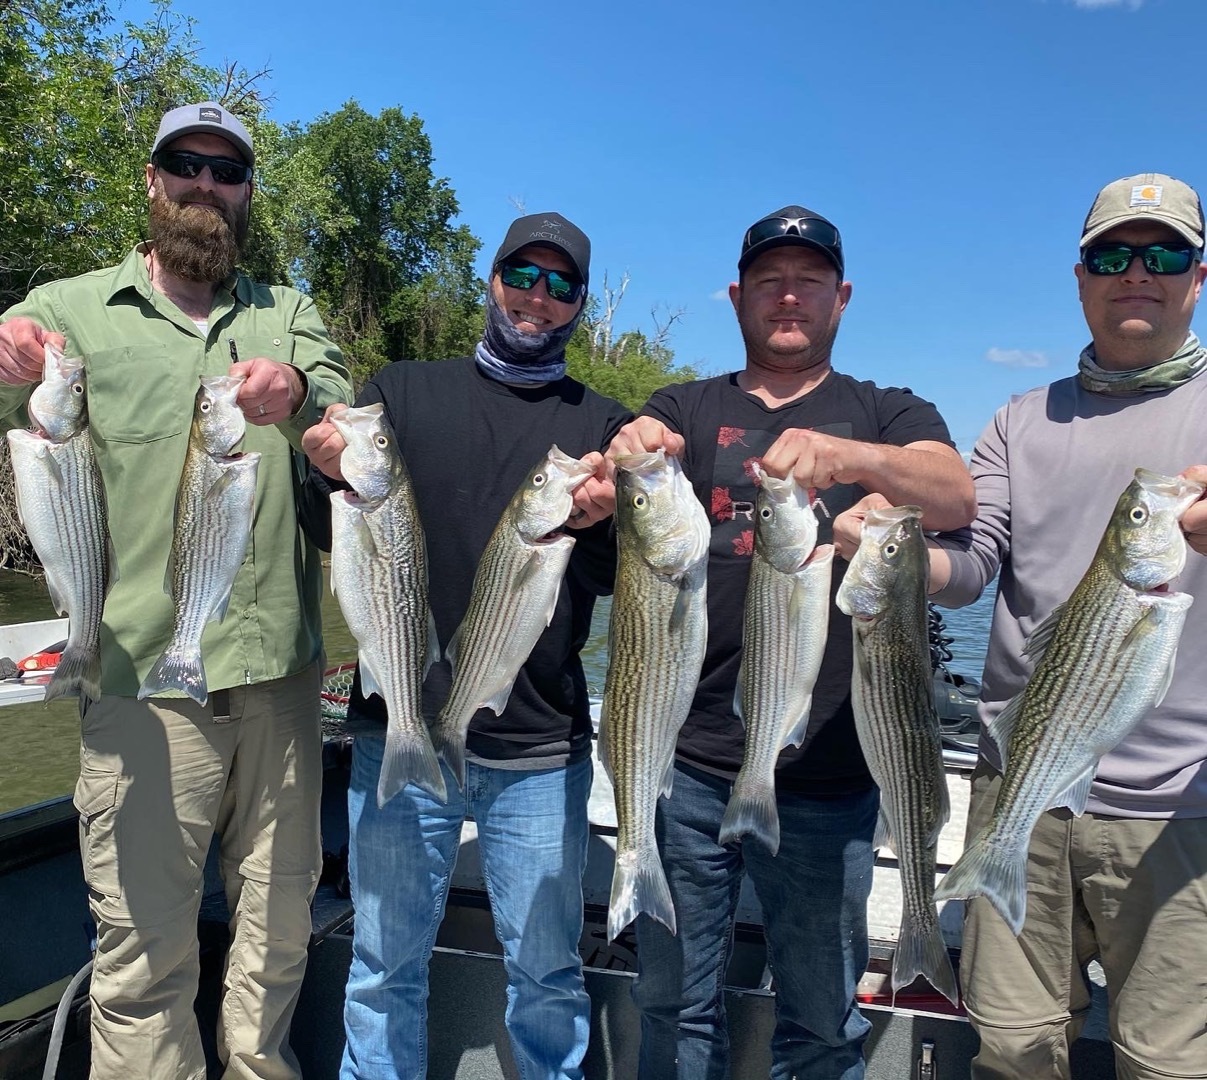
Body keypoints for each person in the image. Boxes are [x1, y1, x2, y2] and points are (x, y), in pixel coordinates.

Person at [0, 102, 352, 1079]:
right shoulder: (69, 309)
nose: (205, 183)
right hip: (140, 680)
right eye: (185, 164)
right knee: (143, 953)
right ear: (152, 182)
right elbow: (10, 367)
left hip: (281, 678)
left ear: (245, 196)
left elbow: (339, 414)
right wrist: (11, 357)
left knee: (280, 937)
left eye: (226, 170)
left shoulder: (286, 310)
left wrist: (301, 397)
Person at [604, 206, 975, 1079]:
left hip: (830, 779)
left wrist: (846, 454)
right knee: (673, 1006)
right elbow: (631, 464)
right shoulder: (685, 406)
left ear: (839, 297)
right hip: (688, 761)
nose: (788, 295)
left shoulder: (887, 410)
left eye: (807, 279)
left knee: (819, 1021)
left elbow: (954, 496)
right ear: (736, 295)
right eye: (769, 278)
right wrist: (632, 445)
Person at [858, 172, 1207, 1079]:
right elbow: (970, 566)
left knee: (1167, 1065)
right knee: (1010, 1049)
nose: (1137, 272)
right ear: (1080, 276)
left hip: (1181, 809)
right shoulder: (1018, 420)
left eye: (1162, 253)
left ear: (1196, 277)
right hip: (1021, 784)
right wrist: (892, 559)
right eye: (1111, 255)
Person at [298, 212, 631, 1080]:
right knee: (381, 967)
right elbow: (324, 524)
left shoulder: (600, 423)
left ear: (580, 307)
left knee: (548, 974)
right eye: (524, 274)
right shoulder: (399, 396)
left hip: (537, 746)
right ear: (491, 279)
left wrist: (598, 526)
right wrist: (325, 467)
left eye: (562, 286)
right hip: (396, 725)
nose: (537, 298)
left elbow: (611, 580)